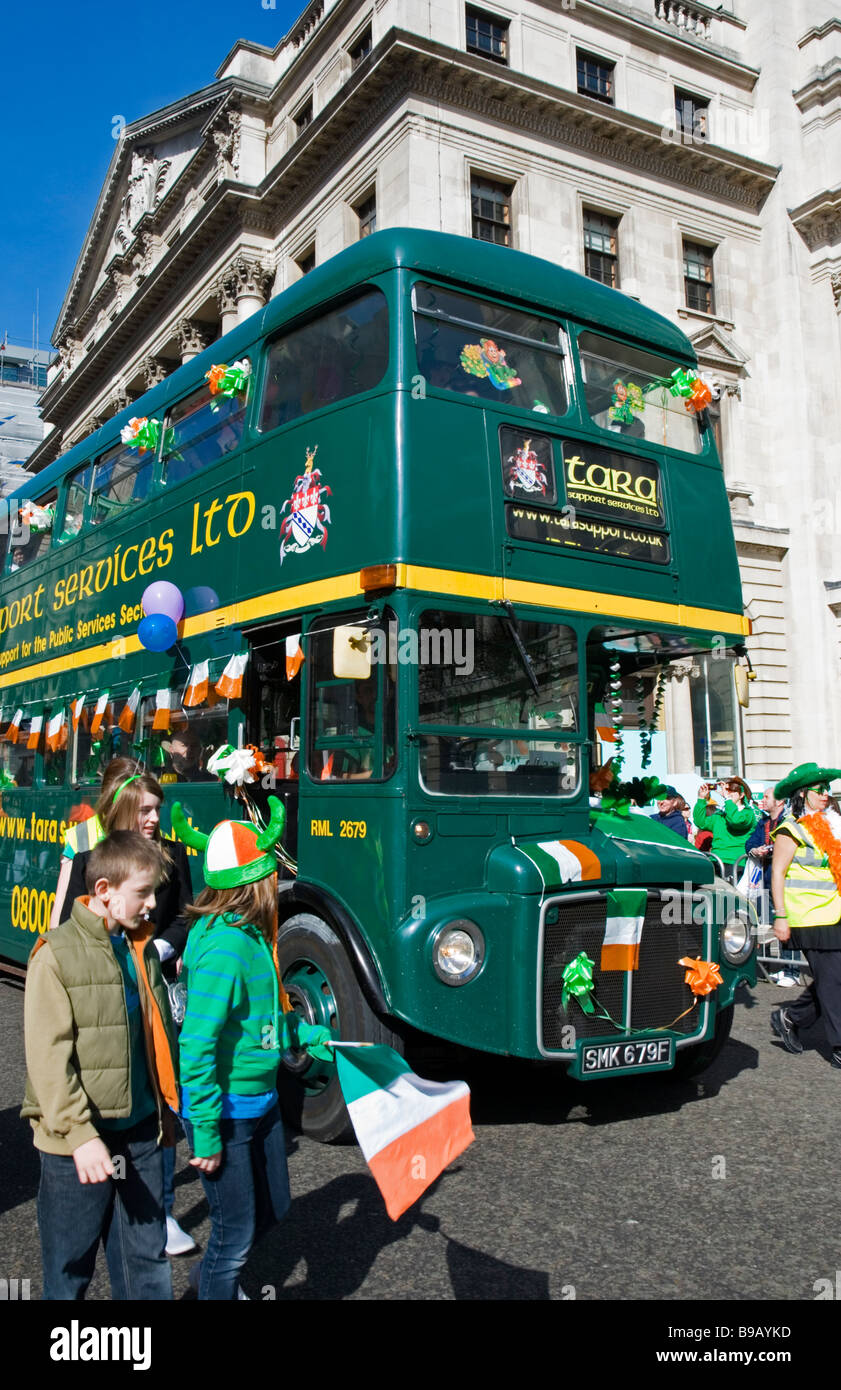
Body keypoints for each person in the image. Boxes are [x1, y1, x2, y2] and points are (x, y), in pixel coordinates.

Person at [172, 797, 332, 1300]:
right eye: (270, 872)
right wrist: (203, 1133)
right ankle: (216, 1283)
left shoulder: (251, 937)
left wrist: (302, 1036)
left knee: (274, 1209)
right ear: (251, 883)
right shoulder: (225, 948)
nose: (276, 882)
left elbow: (256, 1026)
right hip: (228, 1114)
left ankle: (211, 1277)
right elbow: (196, 1047)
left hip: (259, 1103)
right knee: (234, 1234)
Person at [21, 831, 179, 1300]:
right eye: (143, 893)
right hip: (76, 1147)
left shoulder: (140, 948)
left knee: (146, 1262)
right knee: (70, 1267)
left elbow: (154, 1038)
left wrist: (165, 1110)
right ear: (105, 891)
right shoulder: (54, 955)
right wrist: (80, 1135)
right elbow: (48, 1057)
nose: (153, 904)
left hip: (139, 1136)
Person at [53, 764, 196, 1255]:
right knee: (113, 1088)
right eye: (146, 810)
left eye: (158, 809)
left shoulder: (175, 856)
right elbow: (71, 920)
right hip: (107, 993)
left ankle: (163, 1211)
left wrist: (161, 951)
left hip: (156, 993)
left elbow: (183, 918)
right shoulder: (95, 857)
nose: (155, 818)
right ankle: (101, 1197)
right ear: (123, 811)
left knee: (162, 1093)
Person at [769, 762, 841, 1065]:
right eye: (819, 790)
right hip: (808, 916)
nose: (825, 794)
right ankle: (839, 1045)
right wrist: (780, 916)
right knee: (834, 979)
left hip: (834, 912)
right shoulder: (791, 829)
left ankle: (790, 1016)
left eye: (827, 789)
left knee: (833, 978)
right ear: (803, 793)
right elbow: (778, 872)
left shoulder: (835, 825)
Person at [745, 786, 795, 982]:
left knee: (785, 926)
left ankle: (792, 971)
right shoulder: (763, 822)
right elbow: (749, 843)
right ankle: (768, 965)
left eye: (766, 797)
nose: (762, 800)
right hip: (765, 881)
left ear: (780, 801)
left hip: (784, 882)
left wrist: (772, 849)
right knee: (765, 925)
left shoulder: (788, 821)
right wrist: (755, 850)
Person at [692, 777, 757, 873]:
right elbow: (700, 822)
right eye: (727, 790)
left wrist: (728, 799)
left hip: (736, 864)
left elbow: (736, 821)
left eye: (732, 790)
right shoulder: (721, 815)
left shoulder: (748, 813)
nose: (729, 793)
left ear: (742, 795)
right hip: (716, 861)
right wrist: (701, 799)